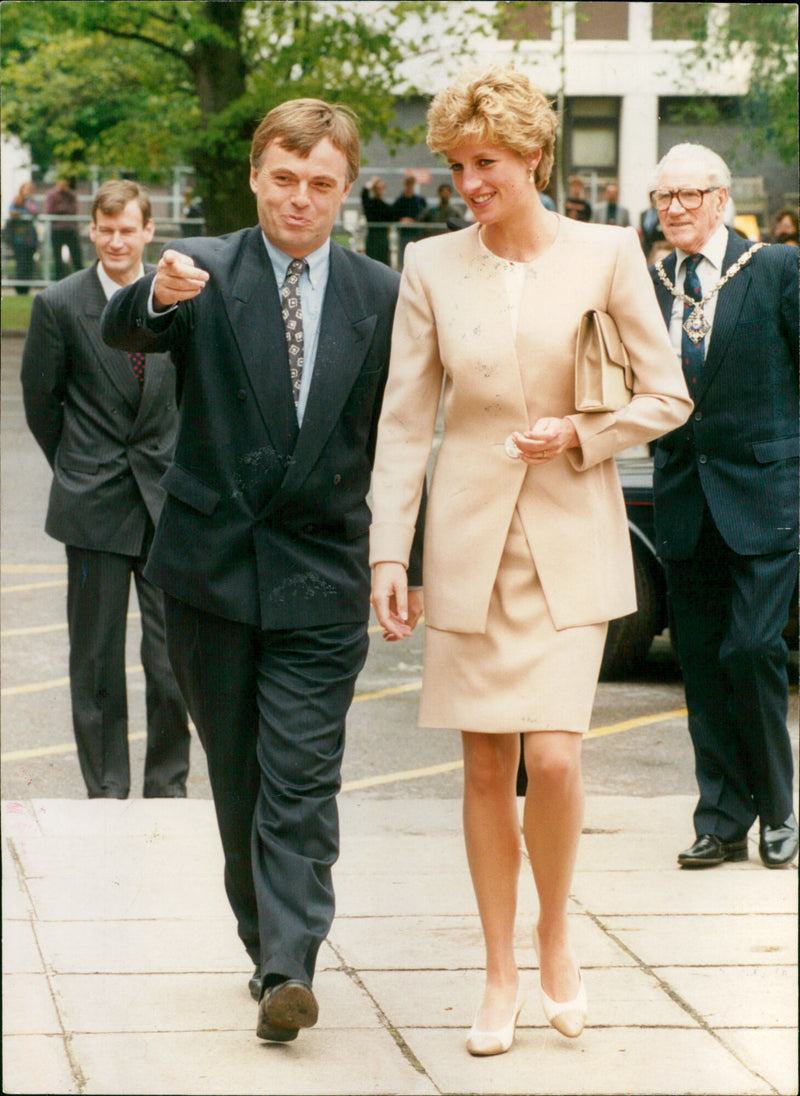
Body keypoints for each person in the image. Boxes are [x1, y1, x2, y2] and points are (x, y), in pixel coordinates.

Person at [369, 65, 692, 1057]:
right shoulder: (427, 268)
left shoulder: (603, 254)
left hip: (566, 532)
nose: (468, 181)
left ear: (533, 159)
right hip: (467, 540)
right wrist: (389, 551)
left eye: (488, 163)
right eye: (458, 164)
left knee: (551, 758)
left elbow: (666, 393)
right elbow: (402, 420)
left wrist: (581, 433)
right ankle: (498, 969)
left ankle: (555, 932)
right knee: (480, 765)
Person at [101, 98, 424, 1045]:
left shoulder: (381, 293)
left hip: (320, 576)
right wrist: (157, 294)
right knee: (239, 779)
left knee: (301, 780)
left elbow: (399, 438)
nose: (301, 199)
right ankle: (265, 941)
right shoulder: (203, 264)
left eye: (322, 183)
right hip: (207, 575)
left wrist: (395, 554)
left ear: (346, 190)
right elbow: (130, 329)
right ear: (256, 175)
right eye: (285, 178)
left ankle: (291, 965)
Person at [648, 143, 799, 871]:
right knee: (703, 664)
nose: (674, 209)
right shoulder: (651, 287)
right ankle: (721, 818)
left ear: (719, 198)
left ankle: (779, 808)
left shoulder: (773, 269)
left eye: (687, 195)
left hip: (767, 496)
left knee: (752, 648)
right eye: (663, 198)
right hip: (684, 499)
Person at [21, 179, 190, 800]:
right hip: (92, 503)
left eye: (129, 230)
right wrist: (77, 466)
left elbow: (190, 396)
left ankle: (168, 784)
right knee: (94, 660)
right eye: (106, 229)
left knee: (173, 663)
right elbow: (42, 404)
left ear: (149, 232)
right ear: (91, 231)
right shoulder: (60, 303)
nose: (117, 241)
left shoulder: (177, 300)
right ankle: (107, 789)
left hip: (167, 504)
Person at [45, 176, 84, 279]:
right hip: (57, 230)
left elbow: (73, 210)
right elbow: (49, 210)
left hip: (70, 229)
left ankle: (81, 279)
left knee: (76, 256)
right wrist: (63, 209)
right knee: (58, 258)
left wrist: (61, 209)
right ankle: (59, 280)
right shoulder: (52, 194)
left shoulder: (70, 195)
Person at [6, 181, 39, 293]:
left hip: (30, 239)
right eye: (26, 189)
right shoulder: (16, 200)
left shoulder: (32, 202)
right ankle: (19, 288)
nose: (27, 192)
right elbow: (12, 211)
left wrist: (27, 203)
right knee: (20, 262)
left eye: (30, 189)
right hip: (19, 238)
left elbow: (35, 212)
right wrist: (21, 212)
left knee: (29, 263)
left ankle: (26, 288)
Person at [392, 172, 428, 264]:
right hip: (404, 234)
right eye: (408, 183)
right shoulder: (399, 201)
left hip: (417, 233)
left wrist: (414, 221)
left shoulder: (420, 200)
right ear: (404, 184)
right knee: (403, 258)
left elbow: (424, 215)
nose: (410, 185)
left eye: (412, 183)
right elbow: (393, 215)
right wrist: (401, 220)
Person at [360, 175, 396, 265]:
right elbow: (364, 193)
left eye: (381, 188)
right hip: (372, 238)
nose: (379, 190)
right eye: (376, 188)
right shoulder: (369, 205)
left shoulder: (387, 207)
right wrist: (371, 183)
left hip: (383, 239)